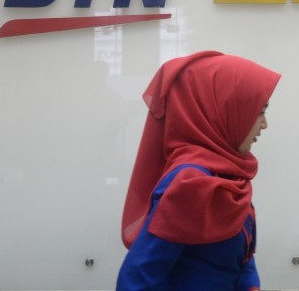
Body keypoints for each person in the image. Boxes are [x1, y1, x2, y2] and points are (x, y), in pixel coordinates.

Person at [117, 51, 281, 291]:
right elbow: (138, 278)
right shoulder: (190, 181)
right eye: (259, 111)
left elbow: (242, 259)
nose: (264, 124)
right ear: (222, 110)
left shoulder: (228, 174)